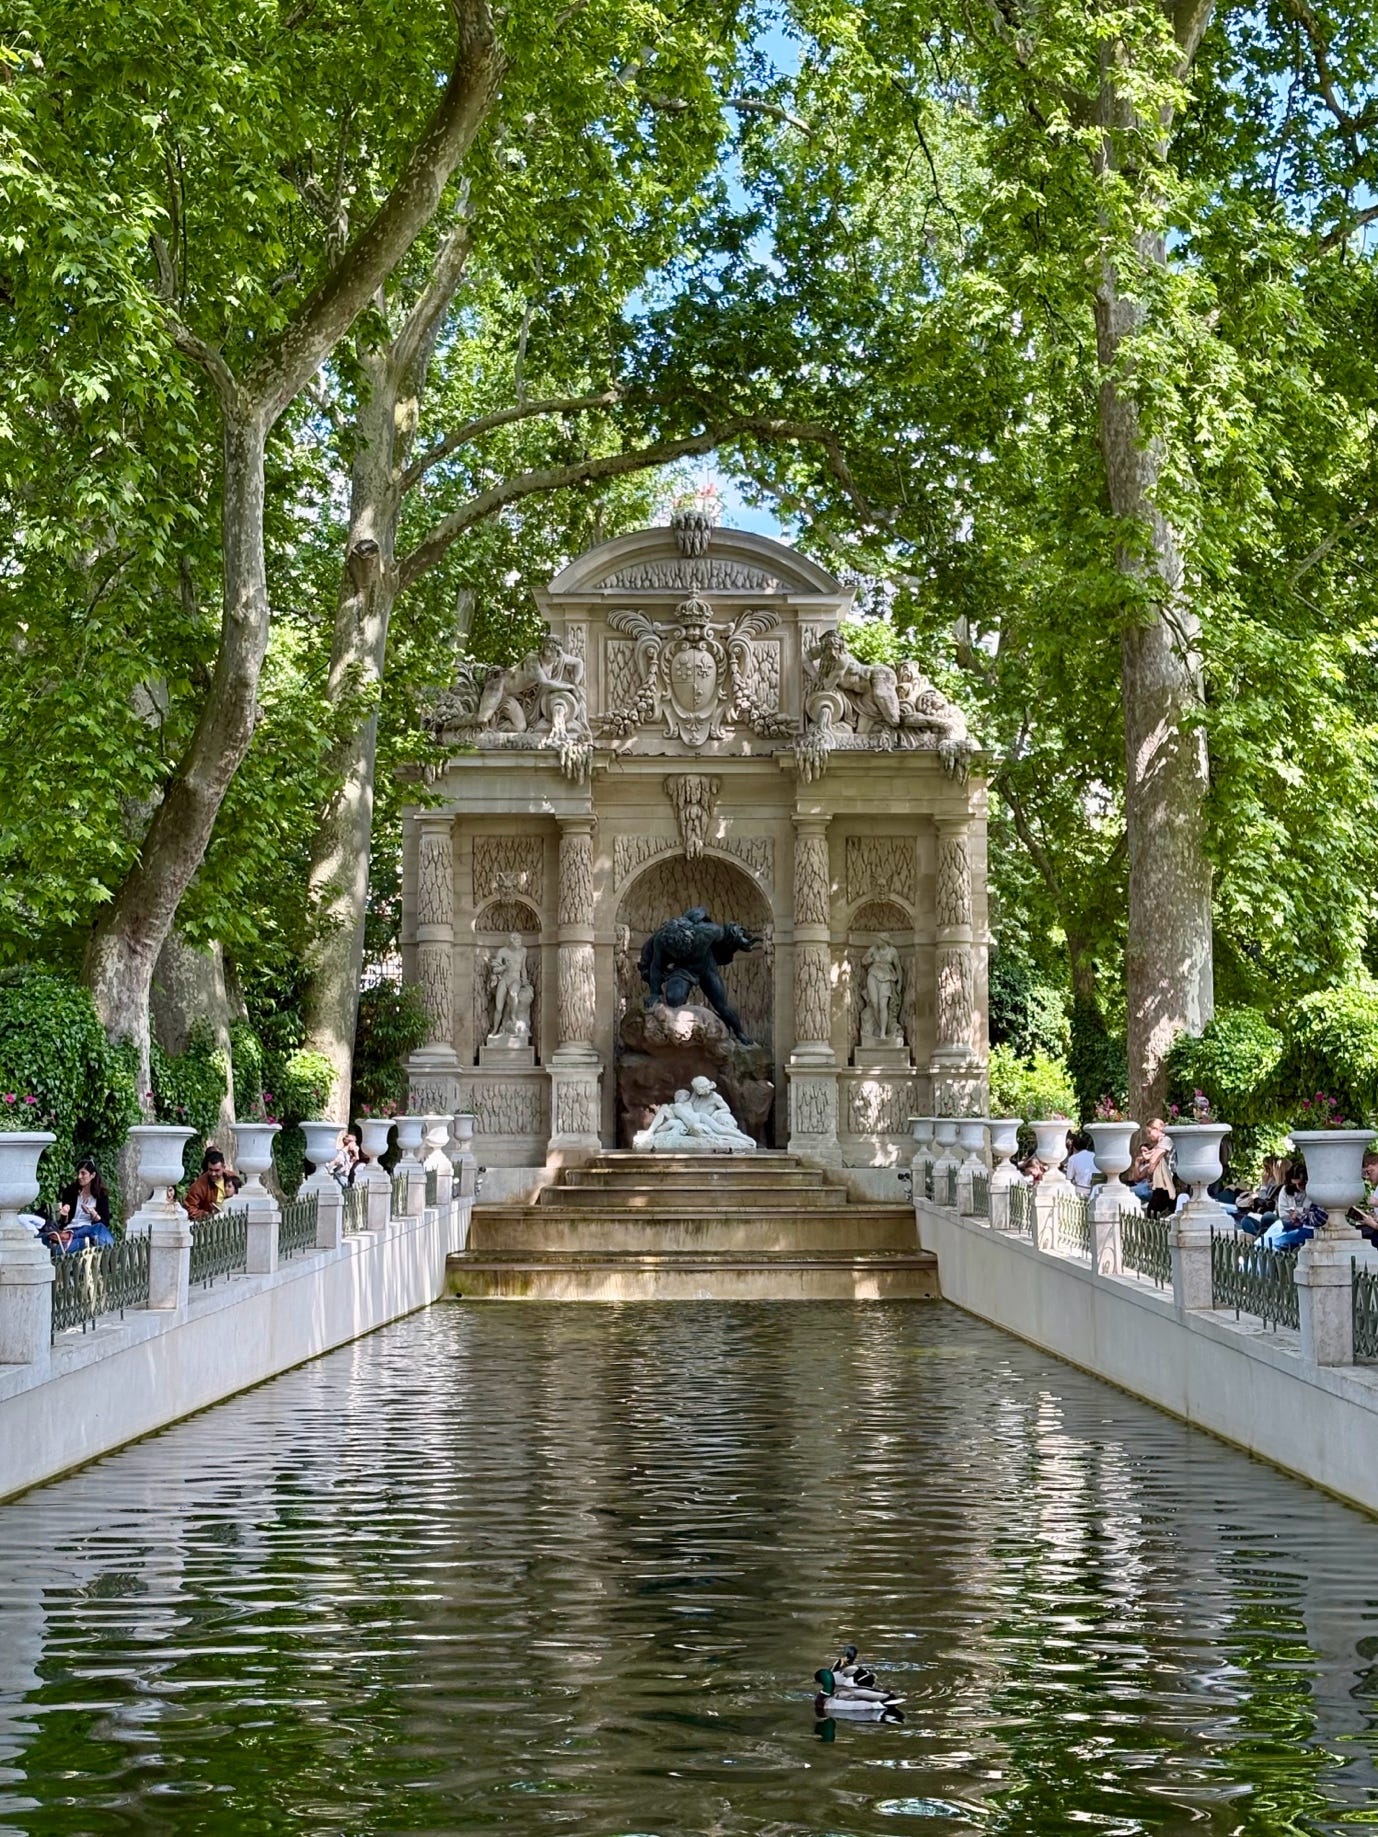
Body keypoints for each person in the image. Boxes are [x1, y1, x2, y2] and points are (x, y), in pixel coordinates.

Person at [53, 1158, 114, 1251]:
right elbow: (63, 1223)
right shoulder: (70, 1191)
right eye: (78, 1173)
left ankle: (111, 1253)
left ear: (93, 1175)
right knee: (89, 1240)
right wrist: (64, 1214)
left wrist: (93, 1213)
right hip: (72, 1229)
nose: (79, 1176)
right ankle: (112, 1253)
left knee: (98, 1228)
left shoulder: (101, 1195)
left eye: (83, 1173)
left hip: (89, 1229)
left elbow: (105, 1223)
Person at [184, 1146, 239, 1222]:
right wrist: (206, 1214)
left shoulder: (232, 1177)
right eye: (210, 1170)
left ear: (224, 1167)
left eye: (217, 1170)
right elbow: (190, 1208)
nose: (213, 1174)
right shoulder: (199, 1185)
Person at [1130, 1119, 1173, 1205]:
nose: (1148, 1136)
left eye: (1149, 1132)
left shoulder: (1166, 1140)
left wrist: (1149, 1174)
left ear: (1157, 1129)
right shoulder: (1159, 1144)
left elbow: (1153, 1162)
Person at [1065, 1132, 1098, 1198]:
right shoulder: (1094, 1155)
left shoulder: (1073, 1158)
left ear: (1073, 1147)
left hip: (1082, 1190)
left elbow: (1069, 1177)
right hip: (1096, 1188)